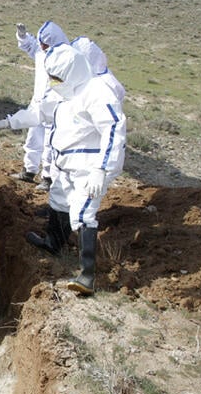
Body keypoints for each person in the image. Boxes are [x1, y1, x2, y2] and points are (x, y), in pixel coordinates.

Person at [26, 43, 126, 295]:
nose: (54, 82)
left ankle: (87, 276)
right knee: (58, 201)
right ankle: (52, 244)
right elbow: (40, 114)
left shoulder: (98, 92)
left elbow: (113, 129)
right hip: (68, 164)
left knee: (82, 214)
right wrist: (6, 122)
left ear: (72, 72)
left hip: (89, 168)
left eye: (58, 77)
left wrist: (101, 169)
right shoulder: (68, 92)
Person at [0, 21, 69, 190]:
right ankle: (29, 171)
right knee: (33, 139)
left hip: (54, 108)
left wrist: (7, 123)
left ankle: (48, 178)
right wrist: (22, 36)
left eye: (44, 44)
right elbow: (31, 45)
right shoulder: (42, 52)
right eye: (41, 43)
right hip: (38, 103)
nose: (41, 46)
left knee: (50, 144)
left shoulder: (64, 59)